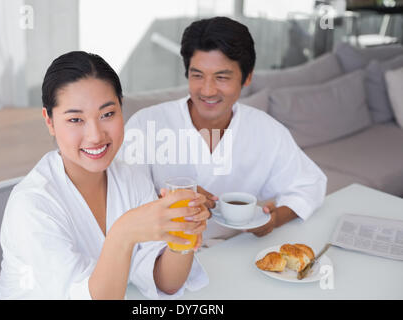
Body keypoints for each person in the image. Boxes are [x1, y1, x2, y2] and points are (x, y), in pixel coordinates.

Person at [0, 51, 209, 300]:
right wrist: (124, 233)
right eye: (76, 119)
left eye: (107, 114)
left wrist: (182, 236)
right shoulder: (31, 205)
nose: (95, 135)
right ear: (49, 121)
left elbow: (166, 282)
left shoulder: (131, 178)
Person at [121, 17, 327, 244]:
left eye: (221, 77)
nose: (207, 90)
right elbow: (120, 199)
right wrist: (173, 200)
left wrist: (273, 220)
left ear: (247, 77)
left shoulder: (266, 131)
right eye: (197, 75)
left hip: (234, 251)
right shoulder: (146, 124)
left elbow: (309, 185)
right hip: (159, 253)